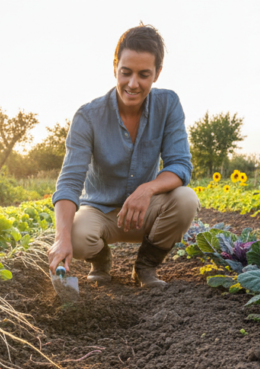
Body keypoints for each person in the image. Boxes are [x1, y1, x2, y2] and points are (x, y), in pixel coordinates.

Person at [47, 24, 198, 288]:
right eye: (125, 72)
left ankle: (145, 268)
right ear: (115, 66)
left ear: (157, 74)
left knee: (186, 199)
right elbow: (70, 182)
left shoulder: (168, 104)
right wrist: (62, 238)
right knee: (76, 235)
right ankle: (101, 260)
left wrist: (146, 190)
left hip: (144, 211)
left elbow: (180, 165)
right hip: (100, 211)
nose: (133, 83)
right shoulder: (88, 117)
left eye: (143, 75)